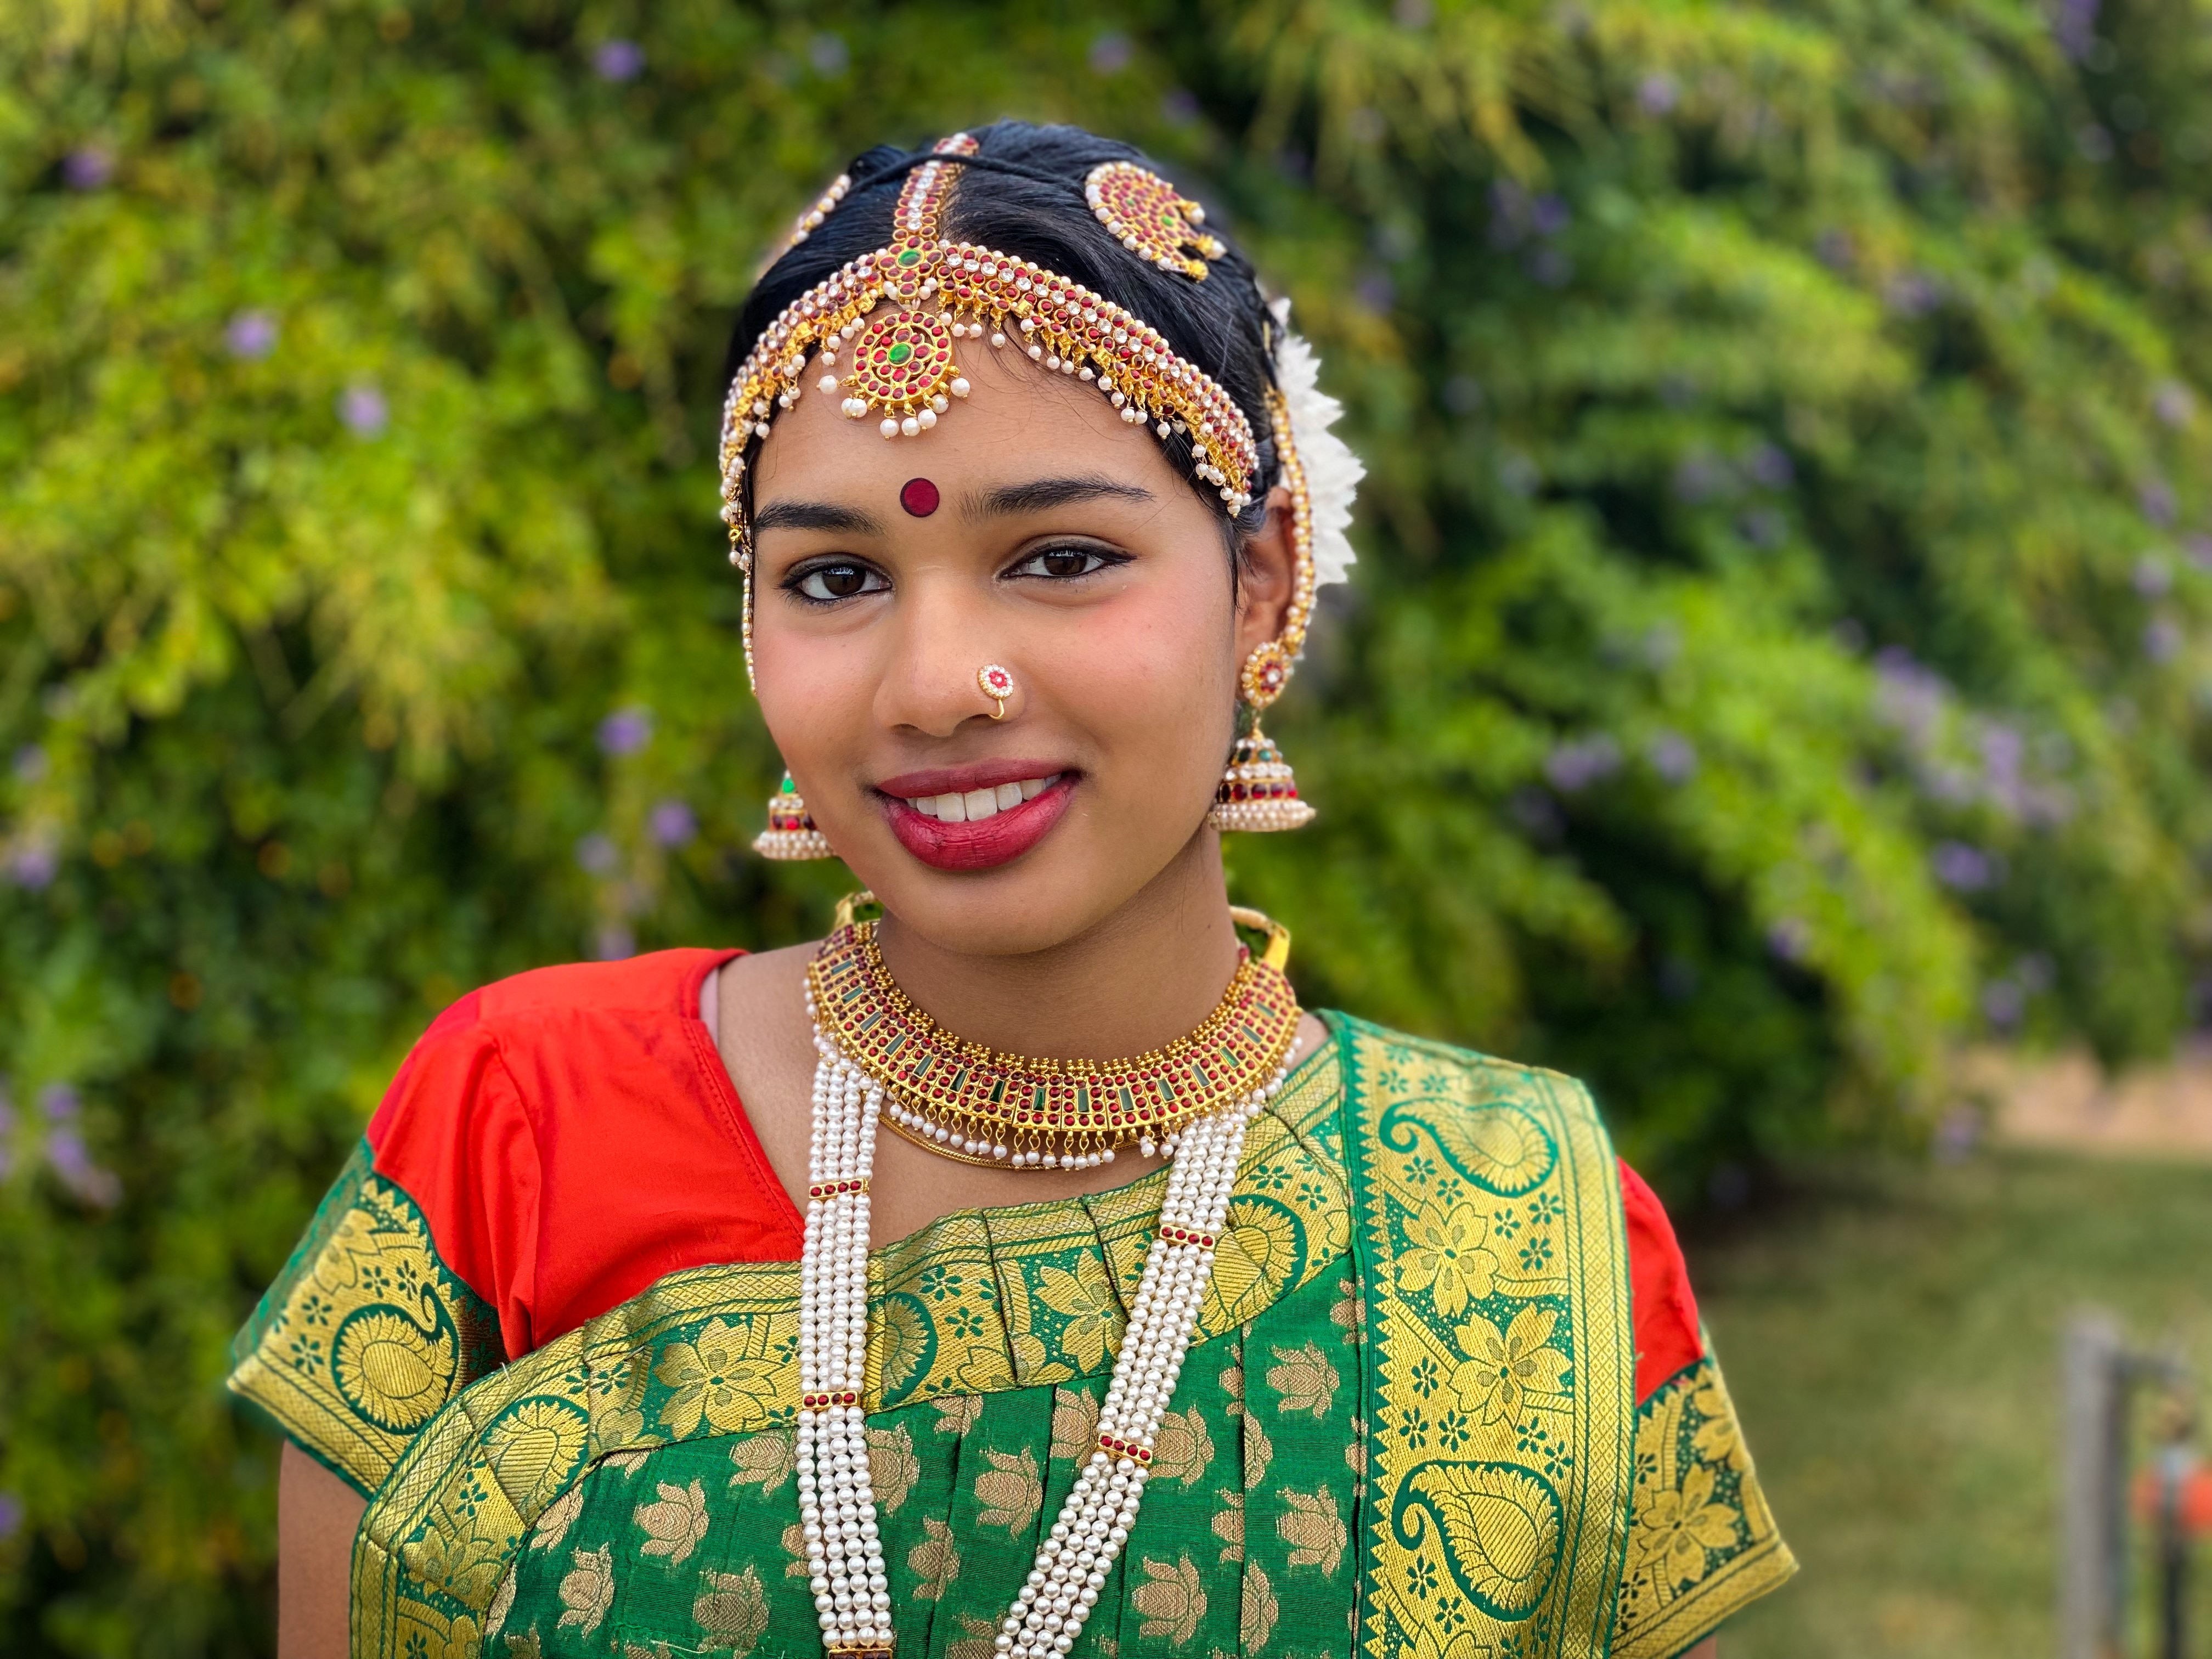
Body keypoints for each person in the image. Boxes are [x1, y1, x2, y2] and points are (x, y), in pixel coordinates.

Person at [231, 121, 1793, 1659]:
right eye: (834, 579)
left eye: (1058, 559)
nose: (938, 686)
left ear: (1262, 580)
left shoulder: (1514, 1232)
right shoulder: (516, 1125)